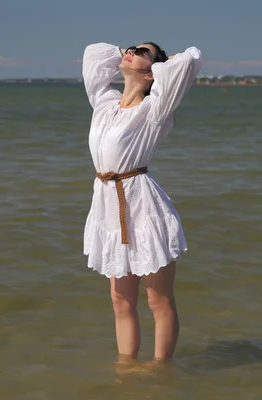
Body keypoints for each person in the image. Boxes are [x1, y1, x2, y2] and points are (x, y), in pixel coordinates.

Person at [81, 41, 202, 363]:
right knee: (121, 302)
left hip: (142, 205)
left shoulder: (156, 109)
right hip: (108, 204)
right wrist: (128, 52)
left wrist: (161, 62)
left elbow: (187, 62)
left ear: (151, 73)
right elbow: (93, 55)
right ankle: (126, 371)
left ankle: (161, 373)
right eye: (129, 48)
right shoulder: (104, 104)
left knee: (158, 301)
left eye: (141, 51)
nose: (131, 51)